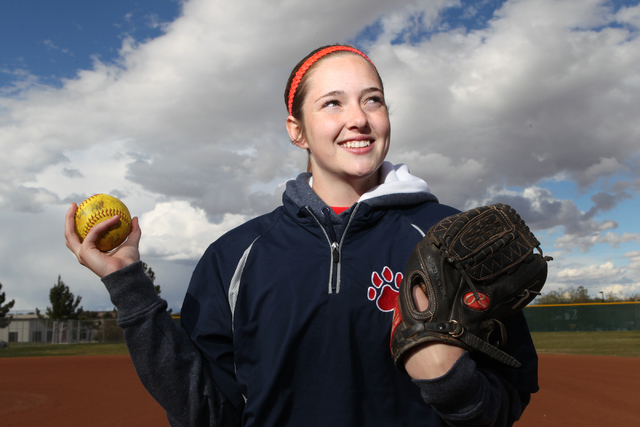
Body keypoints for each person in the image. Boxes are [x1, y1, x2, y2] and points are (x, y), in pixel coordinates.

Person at [65, 44, 539, 427]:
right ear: (298, 131)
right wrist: (127, 281)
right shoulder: (234, 257)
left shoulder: (451, 239)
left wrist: (448, 381)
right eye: (332, 103)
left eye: (371, 99)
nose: (359, 118)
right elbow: (204, 412)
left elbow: (507, 397)